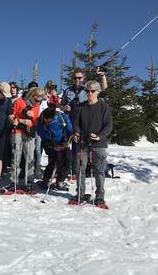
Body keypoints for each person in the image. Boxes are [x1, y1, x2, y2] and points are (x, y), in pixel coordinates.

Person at [71, 80, 112, 208]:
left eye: (92, 91)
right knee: (80, 169)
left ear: (98, 92)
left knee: (99, 171)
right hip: (83, 142)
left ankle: (100, 196)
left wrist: (100, 136)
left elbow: (109, 125)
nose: (89, 93)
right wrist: (77, 133)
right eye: (87, 91)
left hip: (99, 143)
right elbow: (76, 123)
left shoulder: (103, 106)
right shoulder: (81, 107)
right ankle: (80, 194)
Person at [61, 69, 107, 177]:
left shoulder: (87, 89)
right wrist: (64, 107)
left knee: (80, 148)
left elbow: (103, 88)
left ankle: (80, 170)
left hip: (83, 121)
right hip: (70, 120)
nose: (77, 80)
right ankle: (67, 169)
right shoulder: (68, 90)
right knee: (68, 146)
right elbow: (61, 105)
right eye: (75, 78)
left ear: (83, 78)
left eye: (79, 78)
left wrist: (103, 76)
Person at [8, 87, 44, 193]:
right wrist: (22, 120)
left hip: (29, 133)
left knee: (30, 157)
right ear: (32, 95)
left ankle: (29, 181)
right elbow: (11, 117)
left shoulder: (37, 106)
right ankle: (13, 181)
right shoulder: (19, 102)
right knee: (16, 156)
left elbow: (36, 122)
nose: (38, 102)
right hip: (18, 131)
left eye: (40, 100)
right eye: (37, 99)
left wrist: (32, 119)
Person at [36, 108, 72, 191]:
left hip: (63, 141)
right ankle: (46, 180)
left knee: (68, 159)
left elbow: (70, 131)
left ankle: (60, 180)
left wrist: (66, 143)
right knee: (53, 160)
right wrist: (53, 147)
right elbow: (44, 137)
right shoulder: (41, 122)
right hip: (50, 142)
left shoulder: (62, 117)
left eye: (49, 122)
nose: (47, 123)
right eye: (46, 121)